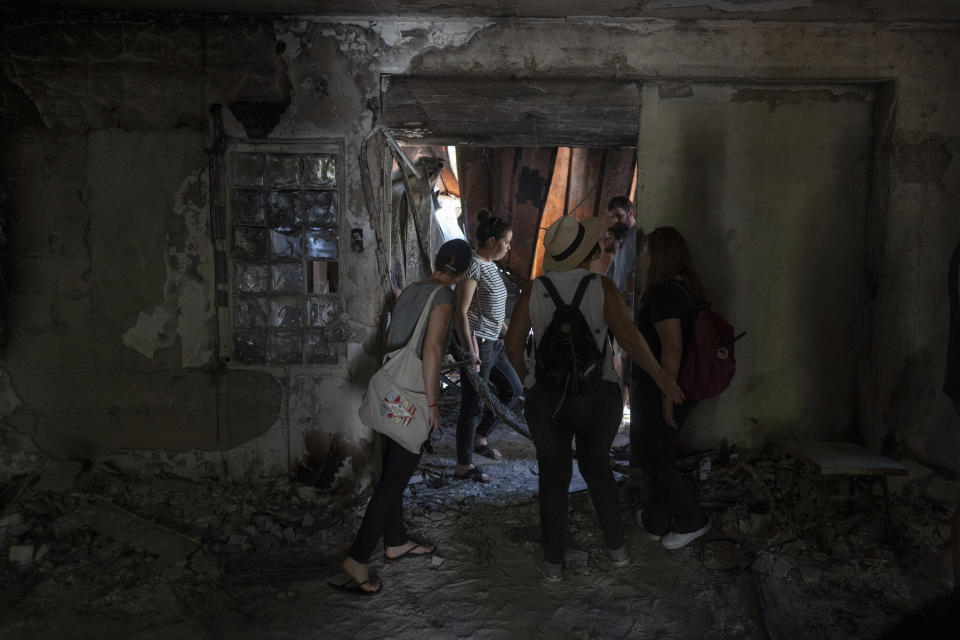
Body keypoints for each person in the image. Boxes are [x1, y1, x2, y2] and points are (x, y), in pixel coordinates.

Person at [505, 215, 684, 581]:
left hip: (546, 400)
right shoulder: (602, 288)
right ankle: (616, 550)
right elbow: (631, 340)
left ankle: (553, 564)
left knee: (553, 477)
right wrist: (662, 378)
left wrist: (532, 381)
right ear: (587, 251)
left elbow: (512, 346)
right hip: (597, 399)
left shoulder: (533, 289)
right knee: (598, 469)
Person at [330, 239, 472, 596]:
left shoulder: (412, 288)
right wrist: (433, 405)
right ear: (464, 273)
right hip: (411, 393)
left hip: (390, 389)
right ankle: (358, 558)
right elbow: (432, 349)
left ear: (438, 261)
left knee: (393, 470)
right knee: (395, 480)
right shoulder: (444, 296)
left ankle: (395, 541)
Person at [631, 226, 712, 550]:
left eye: (648, 252)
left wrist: (667, 395)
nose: (644, 258)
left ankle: (693, 519)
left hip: (663, 389)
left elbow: (672, 347)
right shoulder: (684, 289)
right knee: (658, 453)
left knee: (651, 455)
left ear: (659, 256)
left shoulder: (664, 292)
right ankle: (656, 520)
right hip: (674, 388)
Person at [453, 209, 524, 482]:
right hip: (478, 343)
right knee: (472, 403)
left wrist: (507, 331)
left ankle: (481, 437)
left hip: (493, 343)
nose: (509, 247)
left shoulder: (491, 266)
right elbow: (461, 311)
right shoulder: (473, 265)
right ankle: (463, 465)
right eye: (506, 242)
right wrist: (469, 350)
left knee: (514, 391)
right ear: (492, 241)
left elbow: (492, 310)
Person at [605, 196, 641, 419]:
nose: (615, 220)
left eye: (619, 215)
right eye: (612, 217)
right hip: (618, 303)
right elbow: (614, 270)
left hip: (630, 305)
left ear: (630, 212)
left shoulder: (638, 237)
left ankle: (621, 409)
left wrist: (630, 292)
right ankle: (619, 406)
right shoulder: (622, 238)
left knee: (627, 356)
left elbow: (638, 273)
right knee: (618, 356)